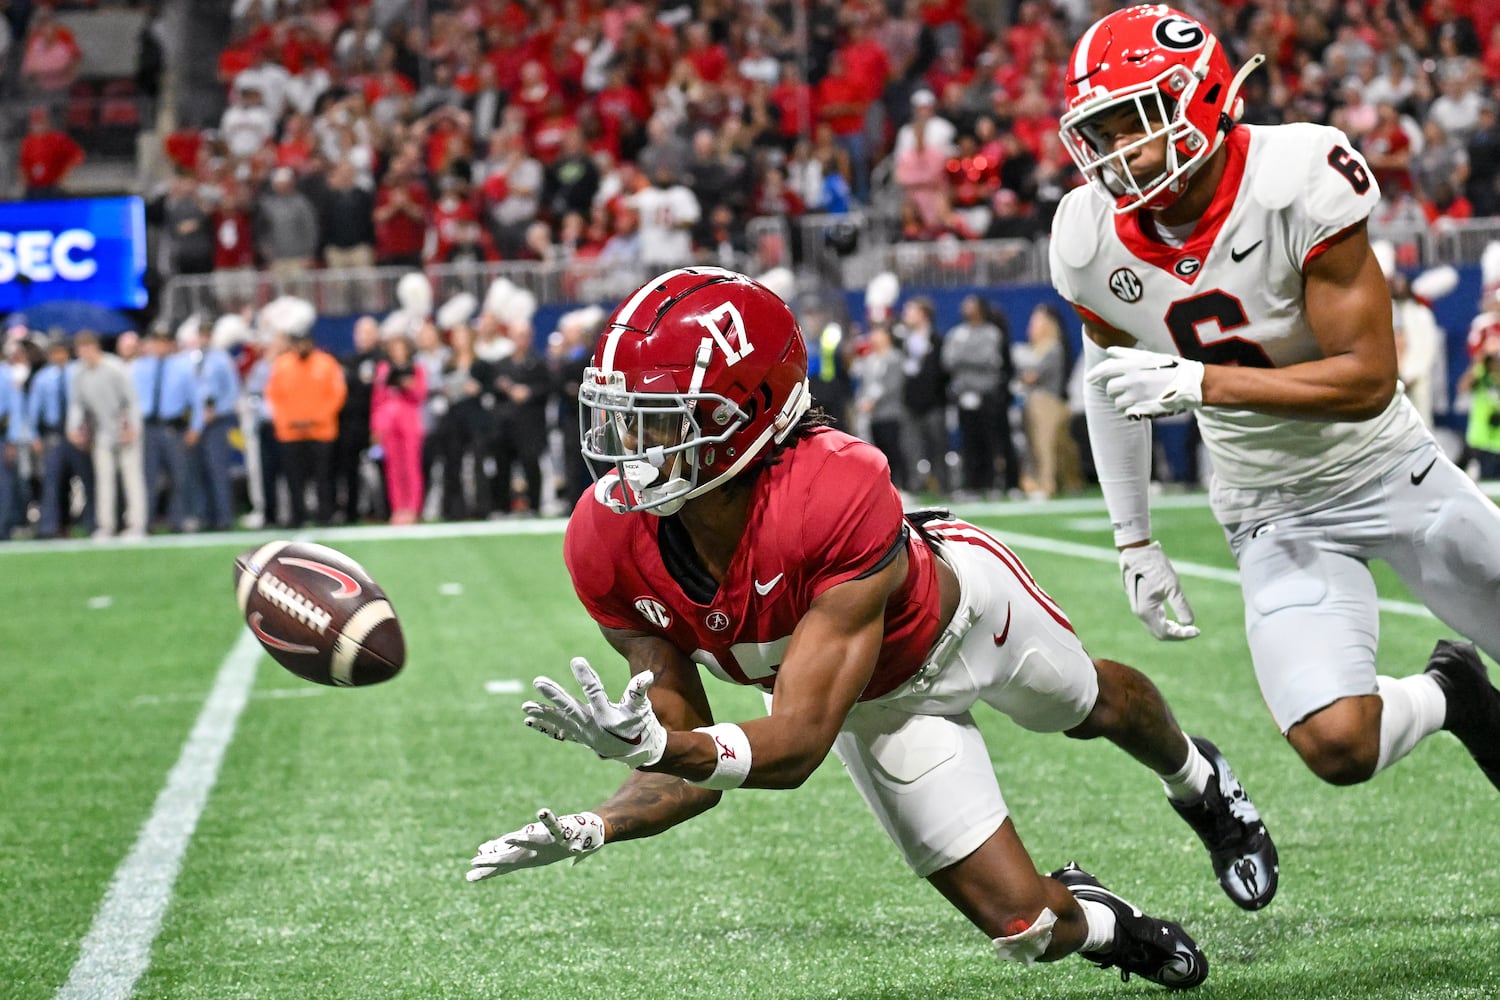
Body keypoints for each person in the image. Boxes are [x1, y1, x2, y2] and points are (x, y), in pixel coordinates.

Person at [467, 268, 1283, 992]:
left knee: (1091, 704)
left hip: (966, 619)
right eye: (623, 418)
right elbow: (686, 757)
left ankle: (1199, 781)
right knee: (1025, 928)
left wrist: (659, 749)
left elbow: (790, 749)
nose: (631, 448)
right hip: (877, 705)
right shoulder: (607, 540)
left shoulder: (835, 488)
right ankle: (1113, 924)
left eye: (661, 420)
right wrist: (598, 820)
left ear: (750, 418)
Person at [1049, 5, 1500, 798]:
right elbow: (1110, 380)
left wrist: (1201, 383)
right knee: (1337, 745)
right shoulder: (1090, 237)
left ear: (1201, 100)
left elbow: (1364, 380)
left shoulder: (1298, 174)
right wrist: (1132, 540)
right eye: (1102, 131)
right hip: (1272, 506)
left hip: (1389, 468)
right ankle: (1451, 693)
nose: (1116, 152)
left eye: (1133, 122)